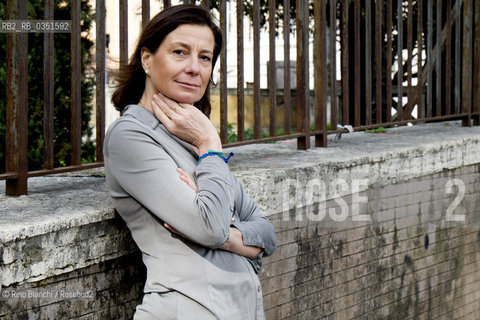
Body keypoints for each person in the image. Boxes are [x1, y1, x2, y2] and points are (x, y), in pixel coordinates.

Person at [104, 4, 277, 319]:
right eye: (180, 52)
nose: (195, 68)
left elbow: (266, 234)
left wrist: (229, 238)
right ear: (147, 59)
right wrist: (210, 146)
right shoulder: (130, 137)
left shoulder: (189, 137)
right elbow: (210, 227)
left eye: (205, 57)